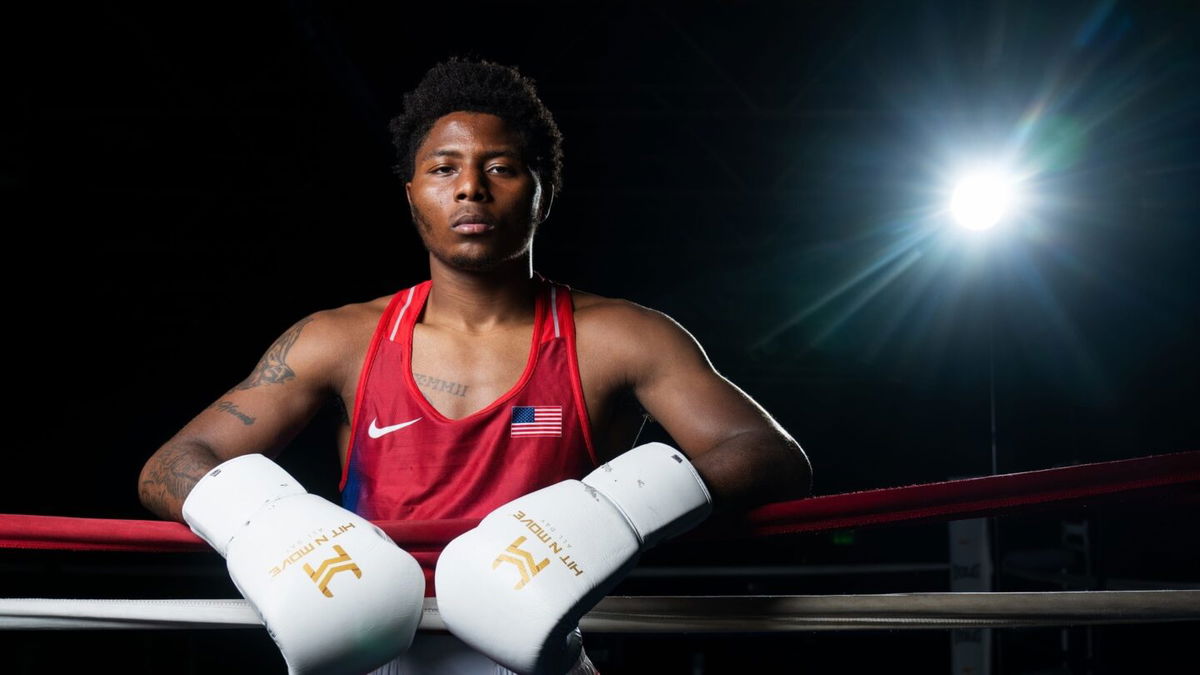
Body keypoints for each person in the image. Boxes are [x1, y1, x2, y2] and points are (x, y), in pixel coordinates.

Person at [139, 58, 812, 674]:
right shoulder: (338, 339)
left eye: (500, 167)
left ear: (541, 192)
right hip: (375, 648)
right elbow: (172, 464)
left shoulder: (618, 336)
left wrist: (614, 512)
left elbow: (768, 454)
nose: (471, 188)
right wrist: (274, 526)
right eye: (443, 168)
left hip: (545, 652)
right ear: (411, 195)